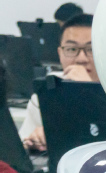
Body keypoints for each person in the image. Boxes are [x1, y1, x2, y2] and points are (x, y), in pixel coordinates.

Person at [19, 13, 99, 152]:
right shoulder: (46, 93)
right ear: (60, 53)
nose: (81, 59)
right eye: (72, 49)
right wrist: (34, 142)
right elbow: (23, 148)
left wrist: (88, 91)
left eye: (91, 49)